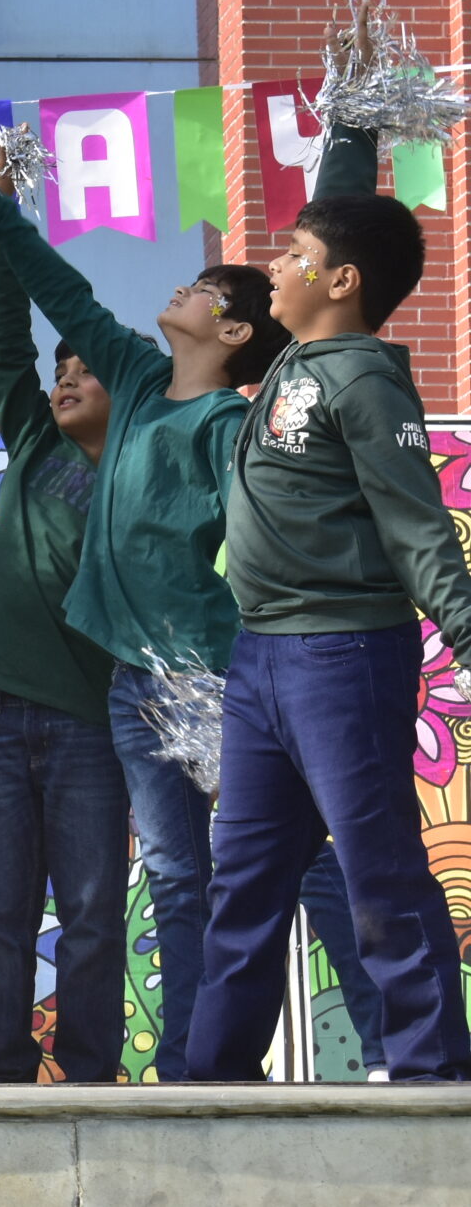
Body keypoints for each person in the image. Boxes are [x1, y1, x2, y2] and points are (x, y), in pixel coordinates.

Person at [0, 144, 296, 1078]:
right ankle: (186, 1061)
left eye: (204, 290)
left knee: (279, 859)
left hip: (200, 677)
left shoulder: (229, 426)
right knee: (174, 876)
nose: (181, 286)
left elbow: (267, 536)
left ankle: (219, 1057)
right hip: (130, 690)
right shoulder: (136, 380)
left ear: (233, 334)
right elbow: (66, 297)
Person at [186, 162, 471, 1081]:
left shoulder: (365, 378)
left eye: (296, 252)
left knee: (378, 865)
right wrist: (348, 132)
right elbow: (339, 191)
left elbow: (416, 523)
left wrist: (465, 627)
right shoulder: (290, 361)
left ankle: (434, 1073)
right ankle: (215, 1080)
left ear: (341, 281)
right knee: (244, 879)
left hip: (343, 654)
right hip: (259, 662)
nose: (275, 263)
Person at [0, 222, 123, 1082]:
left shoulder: (142, 472)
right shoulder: (33, 440)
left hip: (94, 721)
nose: (66, 379)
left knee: (91, 912)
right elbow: (8, 341)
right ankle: (8, 1073)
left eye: (87, 369)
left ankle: (89, 1074)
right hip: (3, 716)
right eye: (61, 371)